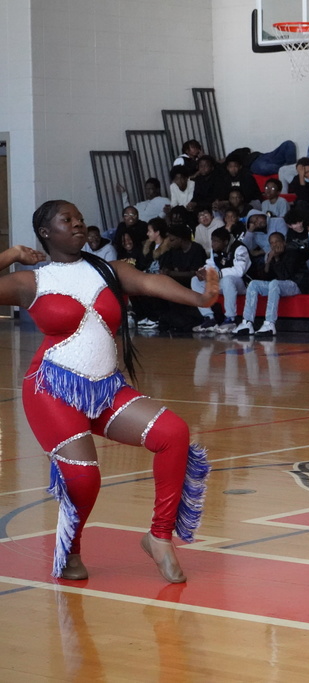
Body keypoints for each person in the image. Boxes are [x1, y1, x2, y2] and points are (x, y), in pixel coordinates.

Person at [5, 200, 215, 582]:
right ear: (45, 233)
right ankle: (70, 551)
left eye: (81, 219)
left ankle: (160, 537)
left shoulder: (109, 271)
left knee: (173, 434)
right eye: (67, 220)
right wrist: (12, 254)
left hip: (105, 388)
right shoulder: (31, 282)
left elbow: (154, 283)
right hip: (52, 389)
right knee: (84, 478)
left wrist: (201, 298)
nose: (78, 225)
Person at [234, 231, 305, 336]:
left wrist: (276, 259)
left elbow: (285, 276)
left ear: (284, 242)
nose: (274, 245)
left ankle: (269, 323)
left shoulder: (292, 252)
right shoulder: (272, 255)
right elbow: (265, 277)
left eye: (277, 241)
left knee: (274, 283)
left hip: (295, 285)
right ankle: (247, 322)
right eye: (271, 243)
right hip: (277, 285)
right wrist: (268, 261)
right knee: (254, 284)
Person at [191, 226, 251, 333]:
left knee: (227, 279)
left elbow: (240, 271)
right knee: (195, 280)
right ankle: (209, 318)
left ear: (226, 242)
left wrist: (218, 274)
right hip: (225, 283)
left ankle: (230, 319)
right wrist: (202, 271)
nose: (213, 244)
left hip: (243, 284)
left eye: (216, 241)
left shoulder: (239, 248)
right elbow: (211, 264)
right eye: (212, 240)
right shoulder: (215, 251)